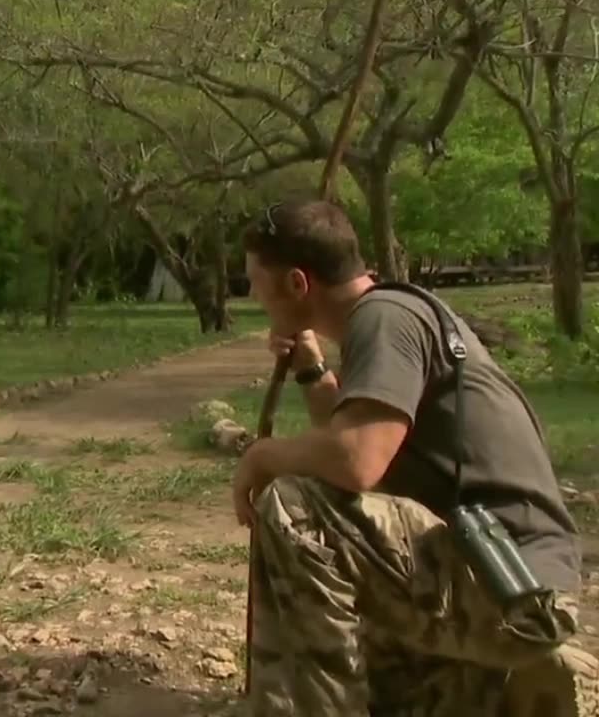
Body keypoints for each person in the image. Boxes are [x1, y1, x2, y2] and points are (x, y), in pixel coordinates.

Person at [232, 198, 597, 715]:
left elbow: (357, 460)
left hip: (507, 587)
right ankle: (500, 683)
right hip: (509, 584)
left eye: (255, 279)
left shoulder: (384, 319)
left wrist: (262, 456)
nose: (251, 293)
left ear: (297, 284)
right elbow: (349, 443)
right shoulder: (395, 311)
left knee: (291, 503)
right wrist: (312, 369)